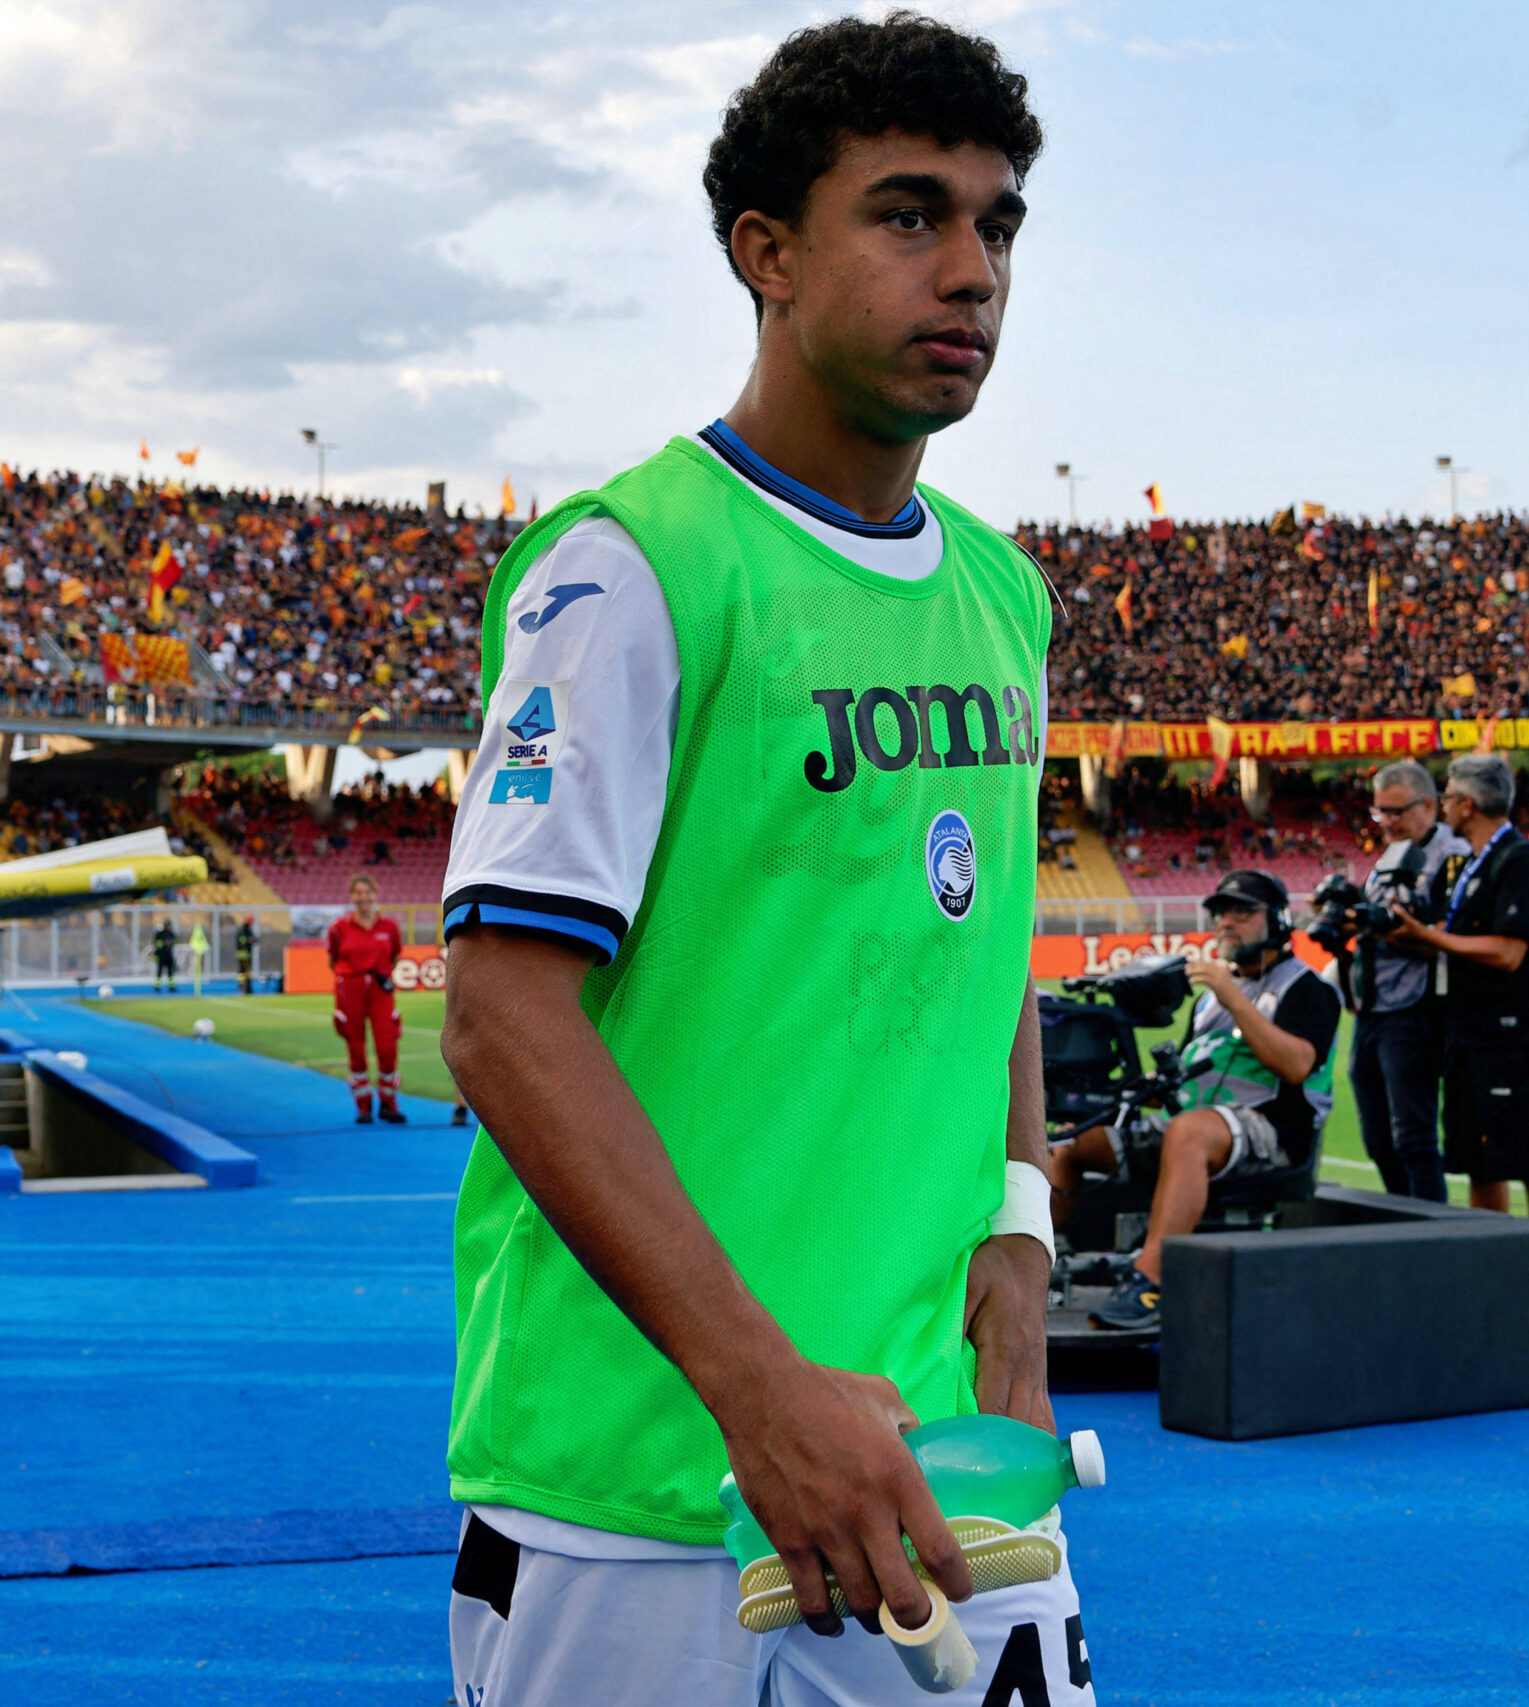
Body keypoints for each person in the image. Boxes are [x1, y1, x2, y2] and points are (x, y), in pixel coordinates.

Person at [433, 19, 1080, 1706]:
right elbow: (503, 1019)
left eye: (997, 227)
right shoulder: (632, 570)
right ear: (768, 254)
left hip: (942, 1465)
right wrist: (754, 1383)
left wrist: (1020, 1227)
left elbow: (986, 939)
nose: (970, 271)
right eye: (908, 215)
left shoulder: (1005, 598)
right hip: (643, 1503)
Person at [1051, 870, 1339, 1331]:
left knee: (1189, 1132)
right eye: (1221, 913)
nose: (1227, 922)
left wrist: (1232, 996)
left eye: (1243, 912)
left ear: (1280, 921)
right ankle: (1040, 1261)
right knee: (1072, 1142)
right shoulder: (1206, 1002)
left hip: (1272, 1133)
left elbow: (1297, 1064)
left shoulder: (1307, 988)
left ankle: (1151, 1282)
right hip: (1196, 1125)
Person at [1387, 753, 1529, 1219]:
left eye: (1447, 795)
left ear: (1467, 804)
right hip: (1466, 1028)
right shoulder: (1471, 863)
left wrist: (1431, 937)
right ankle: (1494, 1262)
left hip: (1508, 1031)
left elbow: (1509, 952)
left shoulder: (1520, 859)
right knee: (1480, 1161)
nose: (1443, 804)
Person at [1337, 761, 1465, 1202]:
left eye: (1395, 811)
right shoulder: (1390, 855)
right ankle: (1406, 1217)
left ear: (1429, 805)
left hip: (1415, 1008)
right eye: (1379, 812)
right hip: (1373, 1006)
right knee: (1377, 1136)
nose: (1387, 822)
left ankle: (1430, 1233)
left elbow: (1450, 938)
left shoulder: (1451, 856)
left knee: (1413, 1136)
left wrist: (1379, 928)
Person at [327, 874, 405, 1125]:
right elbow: (333, 959)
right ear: (352, 896)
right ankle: (363, 1106)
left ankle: (388, 1104)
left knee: (387, 1046)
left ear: (375, 894)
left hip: (381, 989)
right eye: (358, 893)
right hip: (351, 988)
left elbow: (394, 956)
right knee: (356, 1048)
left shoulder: (389, 927)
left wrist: (379, 973)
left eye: (367, 892)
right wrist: (352, 977)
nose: (363, 897)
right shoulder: (339, 928)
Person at [150, 917, 179, 993]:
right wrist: (164, 944)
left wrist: (171, 943)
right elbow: (157, 944)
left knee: (170, 971)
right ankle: (157, 986)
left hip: (169, 955)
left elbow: (176, 941)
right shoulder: (160, 933)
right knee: (159, 971)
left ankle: (171, 986)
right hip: (161, 955)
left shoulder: (171, 933)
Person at [234, 915, 257, 996]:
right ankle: (243, 987)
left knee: (244, 971)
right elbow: (242, 941)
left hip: (246, 954)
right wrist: (249, 940)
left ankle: (246, 987)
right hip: (244, 954)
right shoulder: (243, 931)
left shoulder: (246, 930)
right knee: (244, 971)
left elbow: (254, 940)